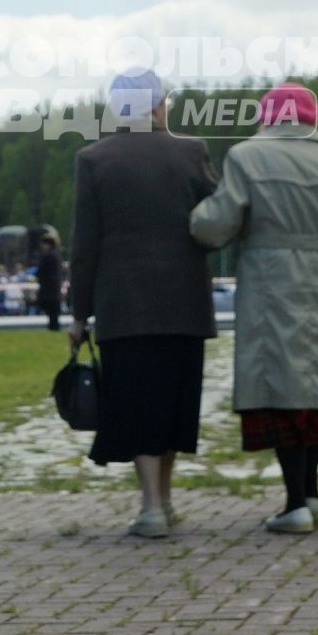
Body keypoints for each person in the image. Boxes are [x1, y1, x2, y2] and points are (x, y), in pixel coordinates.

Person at [190, 83, 318, 534]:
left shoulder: (246, 158)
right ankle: (312, 495)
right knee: (315, 388)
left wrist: (192, 221)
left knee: (280, 390)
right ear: (310, 119)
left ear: (269, 116)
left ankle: (295, 503)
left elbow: (216, 225)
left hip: (269, 286)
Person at [69, 68, 220, 538]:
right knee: (174, 401)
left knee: (138, 402)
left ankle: (152, 505)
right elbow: (217, 219)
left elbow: (85, 243)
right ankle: (165, 502)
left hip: (124, 304)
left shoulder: (93, 158)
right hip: (184, 302)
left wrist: (78, 312)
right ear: (159, 106)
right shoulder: (191, 151)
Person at [34, 234, 64, 330]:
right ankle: (54, 328)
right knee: (54, 313)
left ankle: (53, 328)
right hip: (55, 289)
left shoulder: (48, 256)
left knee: (52, 313)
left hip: (49, 289)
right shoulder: (57, 255)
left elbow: (40, 271)